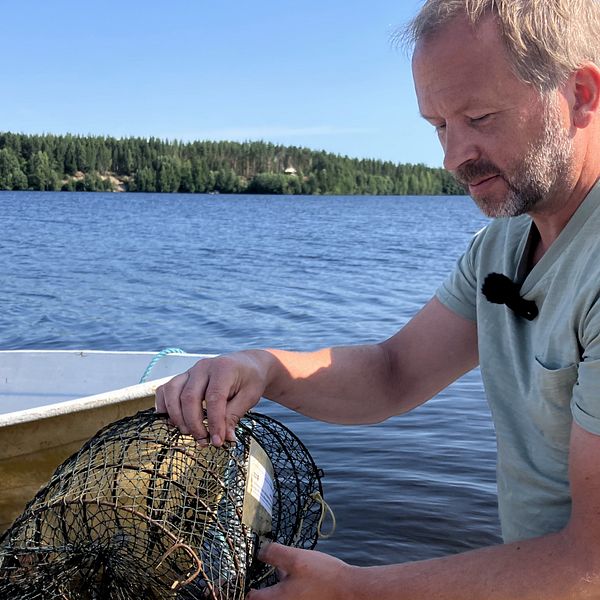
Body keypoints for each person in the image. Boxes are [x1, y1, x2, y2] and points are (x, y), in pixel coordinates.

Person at [156, 0, 600, 597]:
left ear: (580, 92)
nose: (453, 157)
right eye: (439, 126)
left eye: (481, 116)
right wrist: (266, 367)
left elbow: (590, 564)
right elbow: (393, 374)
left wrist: (356, 590)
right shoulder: (504, 244)